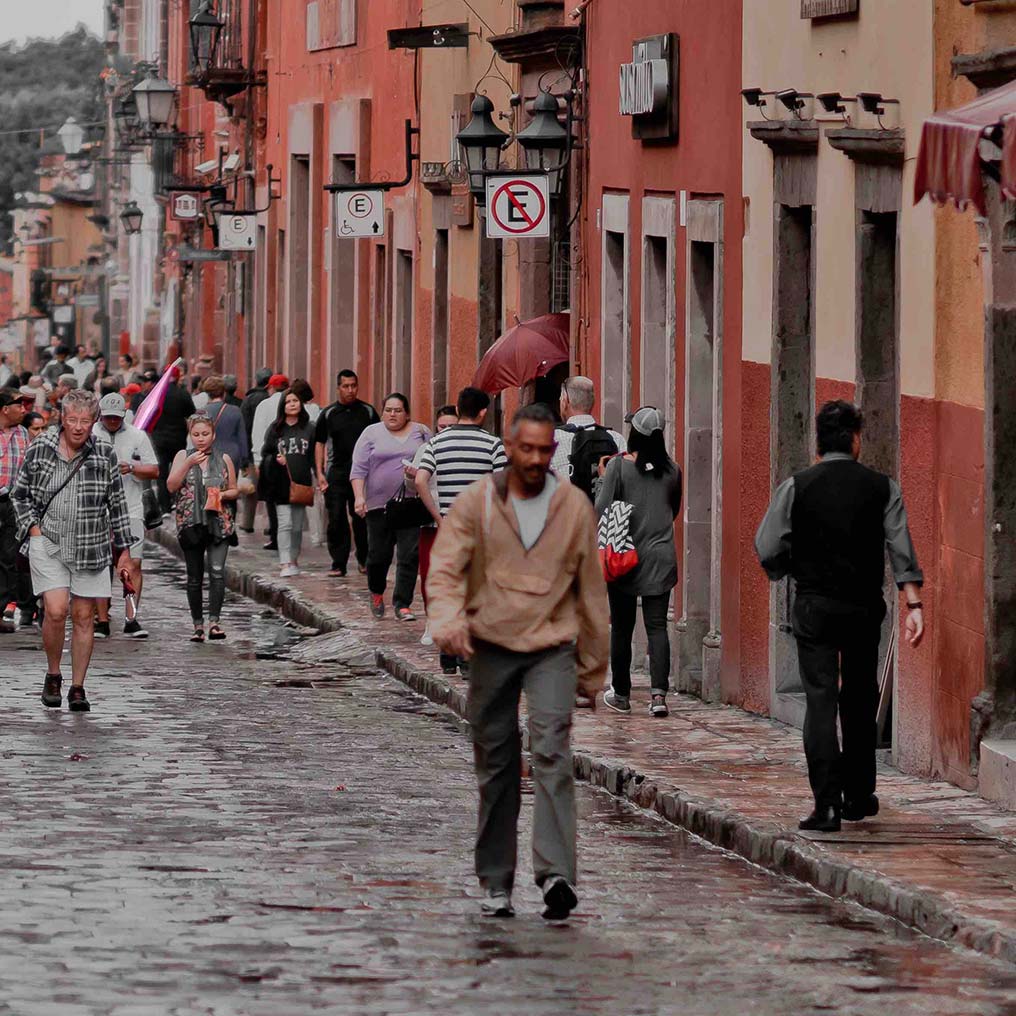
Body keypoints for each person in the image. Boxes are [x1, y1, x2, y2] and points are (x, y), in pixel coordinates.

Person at [427, 403, 609, 921]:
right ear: (508, 449)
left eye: (542, 450)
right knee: (498, 762)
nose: (533, 458)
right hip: (490, 643)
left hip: (552, 645)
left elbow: (590, 591)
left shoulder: (572, 507)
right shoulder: (477, 503)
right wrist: (447, 621)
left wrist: (592, 669)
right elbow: (445, 567)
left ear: (554, 452)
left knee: (552, 750)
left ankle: (555, 874)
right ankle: (496, 881)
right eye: (524, 448)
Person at [755, 400, 926, 833]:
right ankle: (860, 794)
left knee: (820, 701)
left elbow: (767, 545)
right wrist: (914, 605)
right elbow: (900, 546)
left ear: (818, 442)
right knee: (860, 698)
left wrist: (785, 566)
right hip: (863, 608)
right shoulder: (882, 487)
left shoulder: (797, 486)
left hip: (815, 607)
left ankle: (826, 804)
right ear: (855, 439)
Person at [12, 389, 134, 712]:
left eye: (85, 420)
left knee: (83, 616)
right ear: (62, 419)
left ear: (94, 422)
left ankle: (78, 686)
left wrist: (124, 551)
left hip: (91, 545)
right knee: (55, 610)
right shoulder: (41, 448)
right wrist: (33, 530)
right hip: (48, 541)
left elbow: (117, 504)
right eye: (72, 420)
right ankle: (54, 674)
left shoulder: (103, 453)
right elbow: (19, 494)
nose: (79, 427)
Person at [595, 407, 683, 718]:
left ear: (634, 434)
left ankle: (621, 693)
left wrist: (601, 480)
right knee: (657, 627)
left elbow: (601, 510)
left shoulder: (619, 467)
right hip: (661, 556)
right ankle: (659, 697)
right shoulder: (673, 470)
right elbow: (673, 511)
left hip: (624, 554)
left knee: (622, 627)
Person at [415, 387, 507, 672]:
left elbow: (420, 480)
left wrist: (439, 515)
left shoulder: (437, 442)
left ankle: (447, 655)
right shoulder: (493, 444)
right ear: (482, 412)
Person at [350, 393, 430, 620]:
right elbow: (358, 469)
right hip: (378, 506)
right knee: (378, 555)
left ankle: (402, 604)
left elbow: (430, 461)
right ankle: (376, 592)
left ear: (407, 414)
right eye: (388, 410)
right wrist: (359, 497)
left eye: (398, 410)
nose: (392, 414)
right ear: (382, 411)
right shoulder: (371, 433)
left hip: (411, 504)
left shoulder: (421, 432)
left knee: (409, 554)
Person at [92, 393, 159, 640]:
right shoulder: (90, 434)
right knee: (100, 566)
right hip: (97, 510)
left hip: (131, 508)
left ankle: (131, 618)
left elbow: (154, 469)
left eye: (116, 418)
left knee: (133, 565)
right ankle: (101, 621)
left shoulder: (137, 436)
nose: (112, 422)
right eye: (107, 417)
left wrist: (131, 466)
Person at [167, 413, 239, 643]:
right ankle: (197, 625)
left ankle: (214, 622)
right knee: (194, 576)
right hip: (190, 523)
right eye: (196, 434)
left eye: (205, 434)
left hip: (219, 522)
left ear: (214, 435)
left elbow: (235, 489)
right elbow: (171, 486)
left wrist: (221, 494)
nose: (200, 439)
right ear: (190, 435)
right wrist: (188, 463)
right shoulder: (182, 456)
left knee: (217, 572)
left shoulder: (224, 458)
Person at [315, 370, 379, 577]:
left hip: (362, 474)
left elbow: (378, 440)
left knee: (361, 518)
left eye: (353, 386)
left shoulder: (368, 412)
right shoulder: (328, 413)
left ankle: (364, 560)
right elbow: (319, 443)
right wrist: (320, 472)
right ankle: (338, 563)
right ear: (338, 388)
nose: (350, 390)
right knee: (336, 519)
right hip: (336, 473)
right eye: (346, 386)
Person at [407, 403, 458, 648]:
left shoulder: (465, 448)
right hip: (431, 519)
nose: (446, 430)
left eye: (452, 426)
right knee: (429, 572)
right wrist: (409, 476)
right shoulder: (427, 449)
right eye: (442, 426)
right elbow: (413, 485)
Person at [259, 388, 317, 578]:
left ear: (301, 404)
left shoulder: (309, 428)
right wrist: (275, 459)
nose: (292, 404)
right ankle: (284, 562)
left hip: (302, 482)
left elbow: (315, 456)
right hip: (281, 482)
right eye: (288, 401)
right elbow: (265, 452)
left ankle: (293, 559)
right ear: (282, 406)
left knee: (298, 526)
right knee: (285, 523)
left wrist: (319, 476)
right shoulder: (275, 429)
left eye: (295, 401)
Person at [131, 365, 195, 514]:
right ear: (178, 377)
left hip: (158, 438)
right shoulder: (182, 394)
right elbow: (191, 414)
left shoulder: (155, 394)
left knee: (161, 473)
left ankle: (165, 506)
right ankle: (179, 502)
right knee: (179, 470)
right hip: (178, 438)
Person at [551, 376, 626, 499]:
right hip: (605, 516)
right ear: (593, 401)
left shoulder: (551, 440)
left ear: (565, 401)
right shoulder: (616, 439)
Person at [0, 389, 29, 628]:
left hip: (13, 504)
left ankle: (4, 609)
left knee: (10, 557)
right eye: (19, 405)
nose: (24, 409)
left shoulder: (23, 434)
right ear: (5, 409)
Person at [251, 373, 290, 550]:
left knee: (272, 500)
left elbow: (257, 434)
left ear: (271, 388)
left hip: (270, 459)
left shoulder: (264, 405)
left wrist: (257, 460)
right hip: (291, 458)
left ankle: (276, 536)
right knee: (288, 499)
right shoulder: (293, 403)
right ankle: (287, 534)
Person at [238, 367, 273, 533]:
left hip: (252, 448)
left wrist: (244, 453)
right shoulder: (270, 399)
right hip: (270, 449)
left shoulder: (249, 399)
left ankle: (247, 522)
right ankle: (269, 523)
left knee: (250, 489)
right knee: (269, 488)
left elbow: (243, 427)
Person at [197, 376, 249, 472]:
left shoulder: (201, 413)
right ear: (224, 393)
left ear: (207, 393)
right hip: (232, 455)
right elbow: (242, 437)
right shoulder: (235, 411)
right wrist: (244, 460)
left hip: (209, 455)